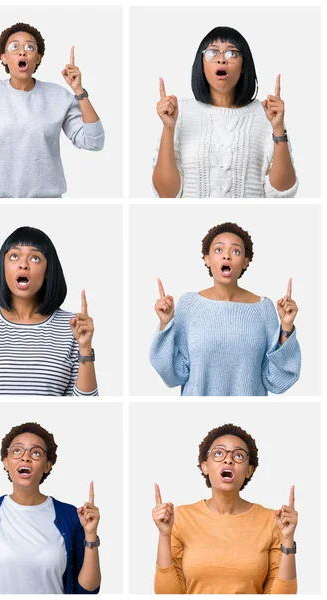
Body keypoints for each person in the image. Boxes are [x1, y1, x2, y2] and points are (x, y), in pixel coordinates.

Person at [0, 23, 105, 197]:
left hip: (46, 201)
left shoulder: (59, 97)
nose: (22, 52)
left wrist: (78, 90)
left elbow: (94, 142)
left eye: (30, 47)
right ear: (3, 57)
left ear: (38, 58)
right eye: (14, 47)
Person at [150, 222, 301, 395]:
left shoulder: (263, 308)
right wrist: (165, 323)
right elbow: (174, 375)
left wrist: (286, 328)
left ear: (245, 262)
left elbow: (276, 381)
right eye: (218, 250)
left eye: (235, 251)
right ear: (207, 259)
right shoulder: (189, 304)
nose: (227, 256)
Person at [0, 422, 101, 593]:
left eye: (36, 452)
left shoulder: (71, 516)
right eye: (17, 451)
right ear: (5, 462)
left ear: (47, 465)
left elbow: (88, 592)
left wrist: (91, 535)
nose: (25, 457)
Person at [153, 26, 298, 198]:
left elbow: (282, 193)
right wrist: (169, 127)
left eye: (232, 53)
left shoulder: (266, 113)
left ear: (244, 65)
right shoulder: (180, 112)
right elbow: (166, 194)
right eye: (212, 52)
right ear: (202, 62)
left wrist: (278, 128)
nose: (222, 59)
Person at [152, 423, 297, 594]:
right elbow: (168, 595)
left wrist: (288, 539)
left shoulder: (271, 520)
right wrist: (164, 534)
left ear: (249, 470)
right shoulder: (182, 517)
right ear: (205, 466)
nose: (228, 459)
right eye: (219, 453)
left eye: (238, 456)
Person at [0, 226, 97, 396]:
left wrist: (85, 348)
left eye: (35, 258)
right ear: (3, 266)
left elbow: (82, 408)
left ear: (47, 271)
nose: (23, 265)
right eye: (14, 256)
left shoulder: (73, 326)